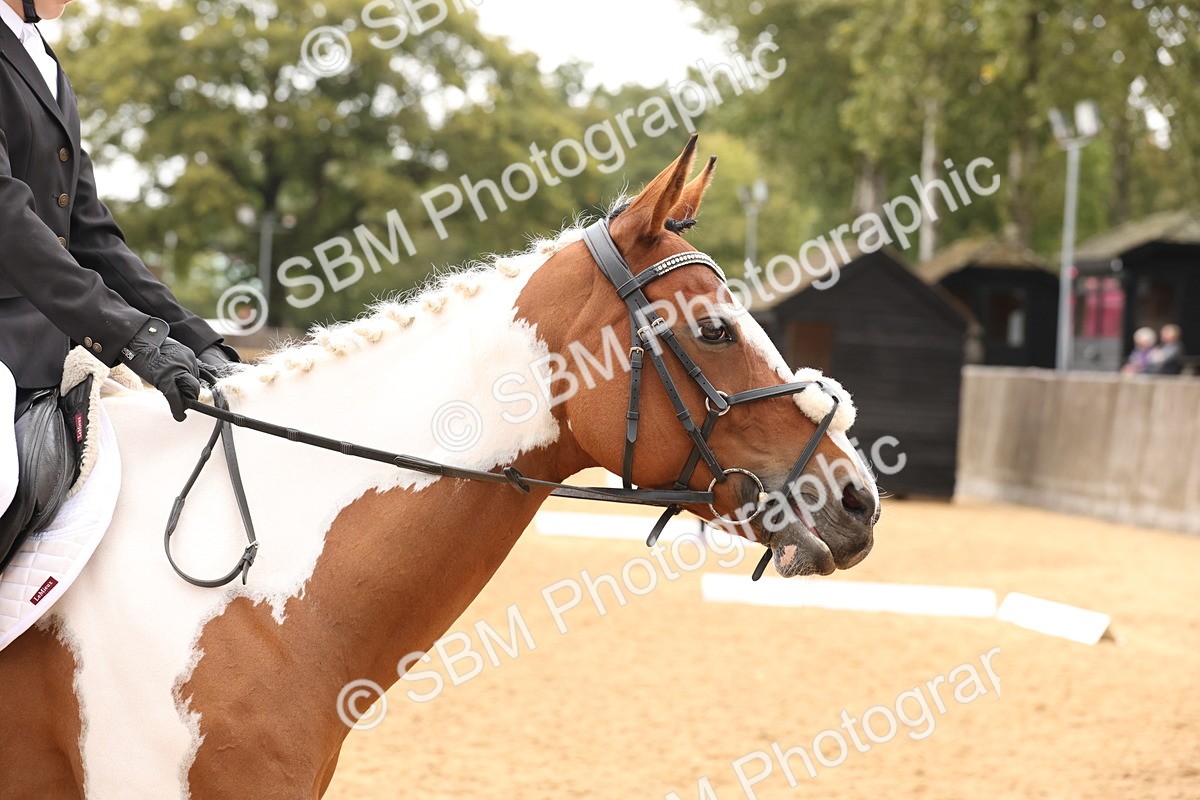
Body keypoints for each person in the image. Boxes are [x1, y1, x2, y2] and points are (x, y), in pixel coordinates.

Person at [0, 0, 237, 517]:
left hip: (47, 351)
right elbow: (8, 224)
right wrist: (130, 337)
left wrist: (195, 340)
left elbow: (88, 232)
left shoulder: (40, 58)